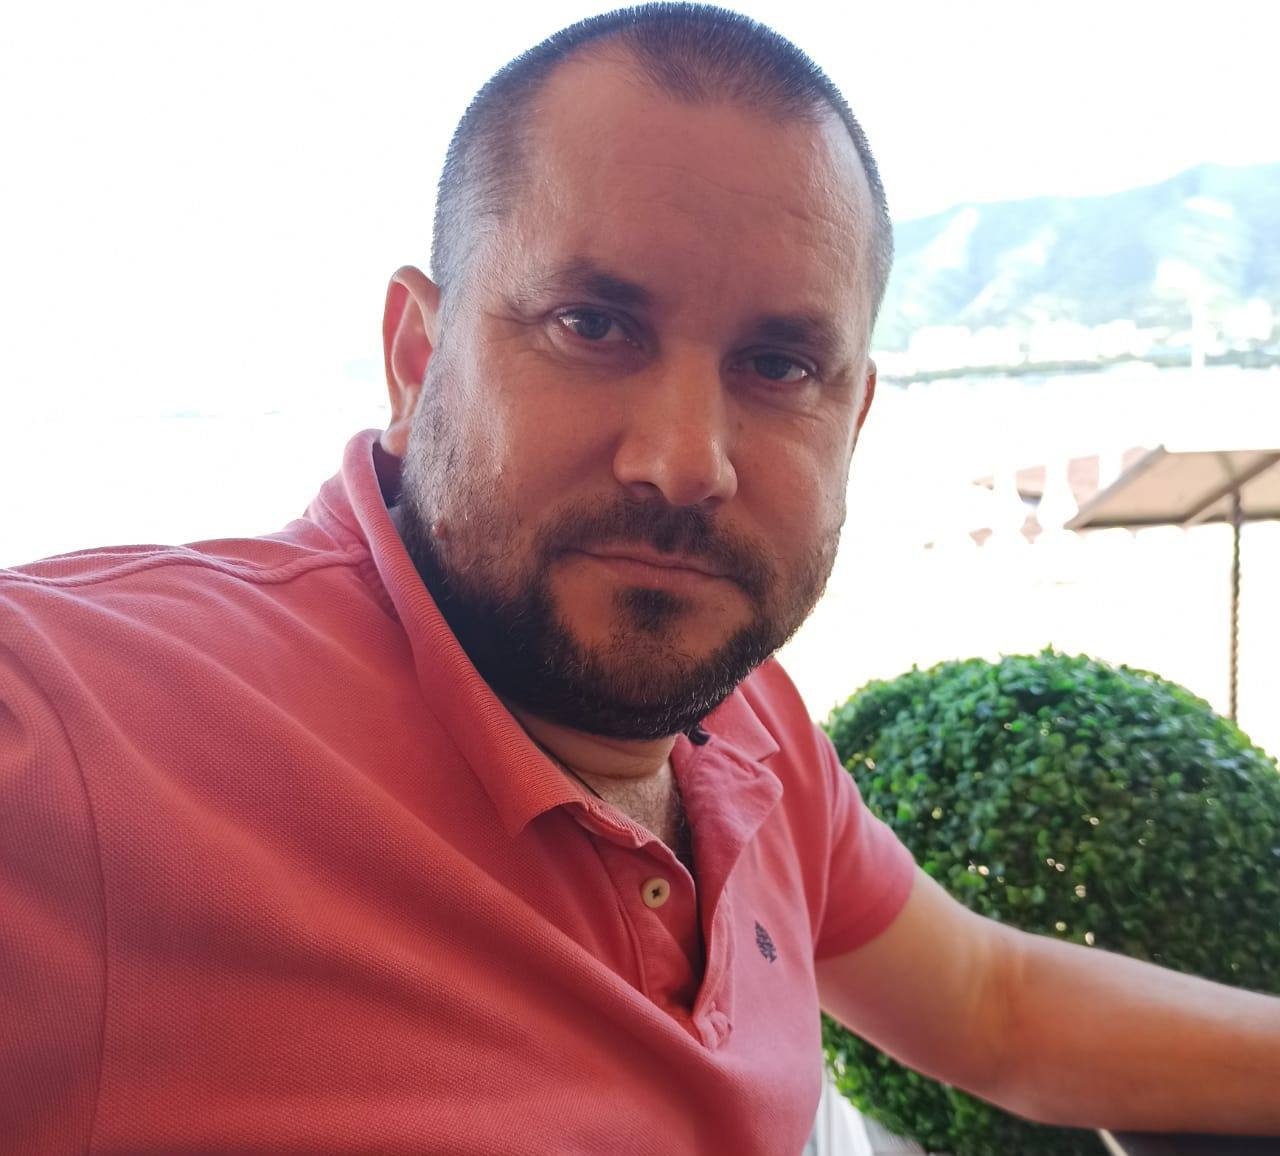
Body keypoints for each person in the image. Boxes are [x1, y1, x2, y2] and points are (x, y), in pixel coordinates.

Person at [2, 6, 1277, 1154]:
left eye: (779, 366)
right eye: (591, 326)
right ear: (416, 358)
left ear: (851, 418)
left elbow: (994, 1006)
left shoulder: (746, 727)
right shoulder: (83, 726)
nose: (684, 461)